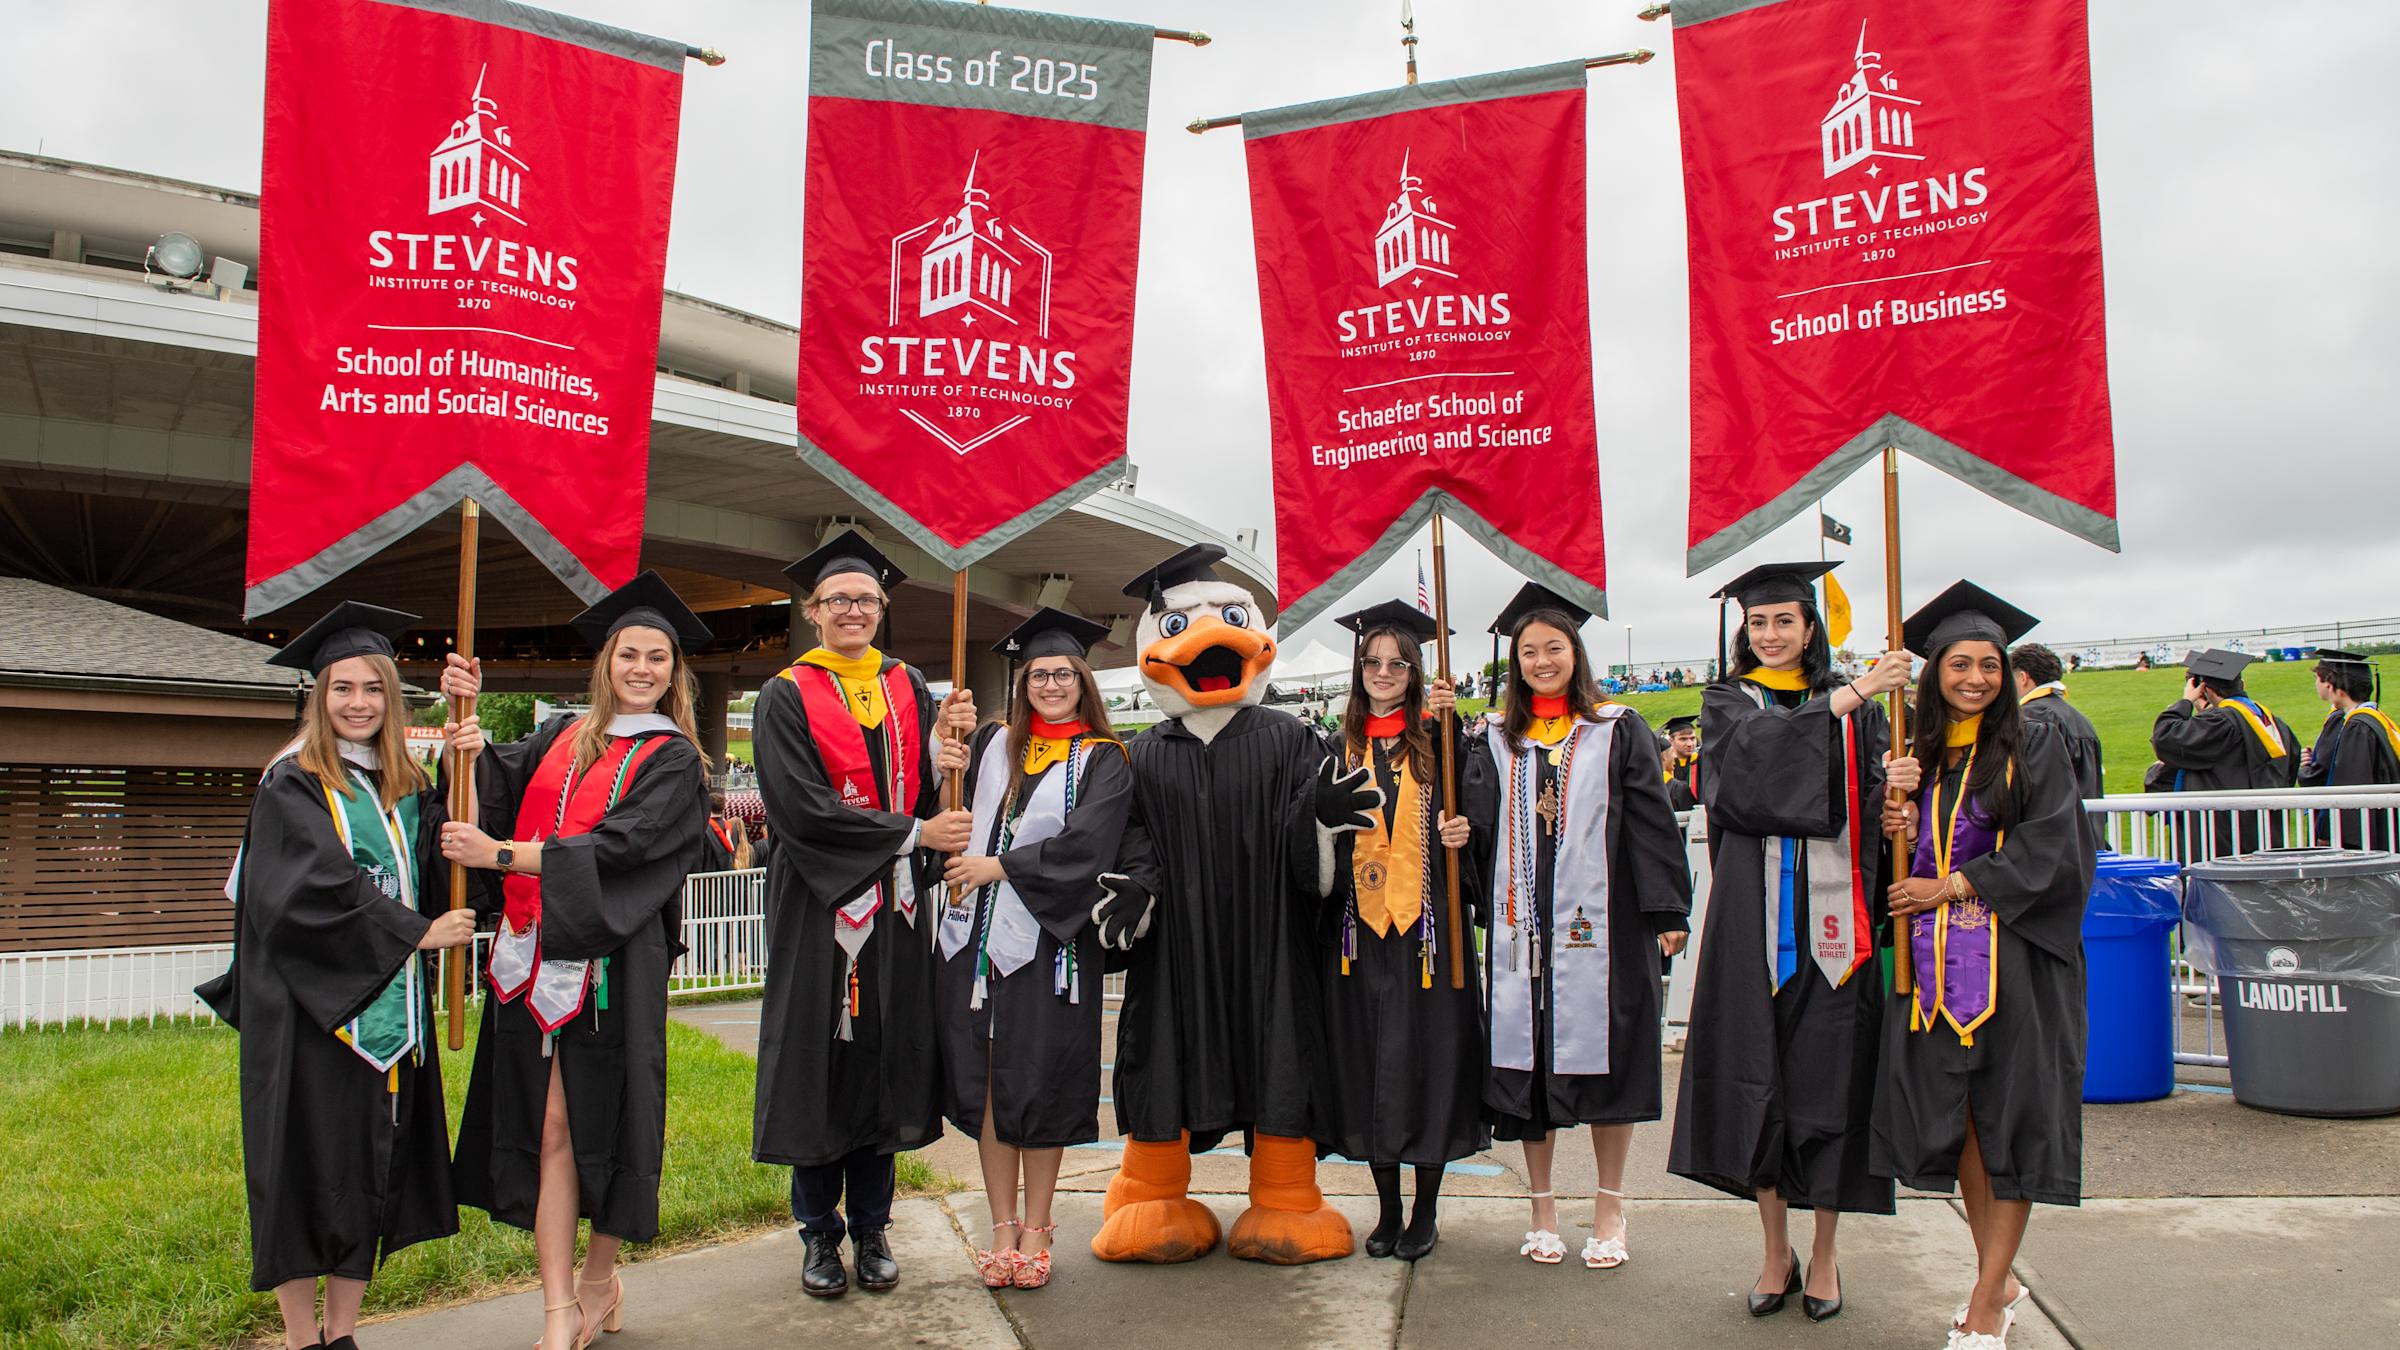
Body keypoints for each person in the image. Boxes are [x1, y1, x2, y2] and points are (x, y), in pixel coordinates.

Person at [436, 572, 715, 1350]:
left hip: (616, 967)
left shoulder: (675, 760)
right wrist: (465, 729)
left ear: (673, 672)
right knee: (550, 1124)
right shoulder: (562, 733)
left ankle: (599, 1279)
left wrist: (504, 854)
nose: (642, 669)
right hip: (531, 963)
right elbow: (490, 787)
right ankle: (559, 1306)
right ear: (607, 661)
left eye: (657, 658)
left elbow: (626, 848)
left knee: (608, 1123)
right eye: (630, 654)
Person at [197, 603, 475, 1350]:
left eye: (374, 688)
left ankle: (343, 1333)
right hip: (306, 1016)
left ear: (392, 698)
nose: (358, 702)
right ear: (318, 697)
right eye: (342, 688)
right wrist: (417, 934)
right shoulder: (292, 783)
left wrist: (467, 757)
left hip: (384, 1015)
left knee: (367, 1169)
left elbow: (446, 858)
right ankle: (299, 1338)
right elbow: (309, 890)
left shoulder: (401, 784)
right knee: (299, 1171)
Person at [1090, 544, 1378, 1267]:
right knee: (1162, 1050)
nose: (1211, 640)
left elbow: (1307, 848)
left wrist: (1320, 820)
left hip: (1270, 939)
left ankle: (1285, 1199)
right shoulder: (1143, 754)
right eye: (1181, 624)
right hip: (1177, 948)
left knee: (1280, 1049)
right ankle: (1153, 1192)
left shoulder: (1289, 739)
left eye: (1230, 620)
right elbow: (1134, 842)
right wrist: (1138, 893)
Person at [1667, 562, 1907, 1321]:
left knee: (1830, 1087)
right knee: (1756, 1088)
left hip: (1838, 930)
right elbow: (1745, 781)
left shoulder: (1861, 708)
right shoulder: (1726, 702)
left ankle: (1827, 1255)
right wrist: (1849, 696)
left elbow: (1862, 797)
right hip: (1752, 927)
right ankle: (1776, 1251)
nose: (1770, 635)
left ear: (1811, 628)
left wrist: (1894, 800)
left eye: (1785, 622)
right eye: (1759, 623)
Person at [749, 530, 975, 1297]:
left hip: (897, 909)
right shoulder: (784, 695)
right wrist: (914, 831)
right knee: (822, 1063)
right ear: (813, 612)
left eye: (867, 599)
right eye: (838, 599)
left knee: (882, 1060)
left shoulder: (909, 686)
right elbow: (800, 811)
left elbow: (917, 800)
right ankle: (818, 1234)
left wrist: (950, 764)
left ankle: (873, 1225)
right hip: (820, 905)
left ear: (883, 609)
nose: (853, 610)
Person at [1874, 582, 2094, 1350]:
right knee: (1967, 1126)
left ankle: (1986, 1306)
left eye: (1990, 665)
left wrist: (1954, 884)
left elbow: (2056, 847)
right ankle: (1994, 1275)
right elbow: (1898, 871)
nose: (1976, 678)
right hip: (1935, 976)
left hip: (2018, 969)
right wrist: (1892, 818)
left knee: (2012, 1128)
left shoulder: (2034, 742)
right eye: (1959, 663)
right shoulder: (1917, 752)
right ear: (1932, 671)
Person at [1463, 582, 1691, 1270]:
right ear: (1516, 665)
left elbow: (1652, 820)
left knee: (1609, 1060)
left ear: (1575, 653)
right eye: (1528, 651)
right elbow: (1477, 827)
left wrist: (1667, 910)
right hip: (1521, 929)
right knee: (1527, 1066)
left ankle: (1610, 1206)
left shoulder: (1616, 729)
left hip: (1605, 924)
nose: (1540, 660)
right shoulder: (1497, 742)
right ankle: (1541, 1207)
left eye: (1552, 648)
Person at [934, 609, 1135, 1291]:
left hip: (1053, 948)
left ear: (1084, 682)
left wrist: (999, 866)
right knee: (991, 1084)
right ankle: (999, 1225)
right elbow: (954, 818)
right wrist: (944, 752)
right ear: (1022, 684)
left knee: (1040, 1083)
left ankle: (1039, 1226)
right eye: (1038, 675)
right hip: (976, 945)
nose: (1050, 685)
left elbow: (1088, 847)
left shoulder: (1104, 760)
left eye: (1063, 674)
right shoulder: (992, 743)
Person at [1318, 599, 1488, 1263]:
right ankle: (1385, 1210)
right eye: (1372, 663)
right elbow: (1310, 840)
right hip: (1356, 936)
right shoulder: (1336, 748)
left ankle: (1424, 1212)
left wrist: (1464, 831)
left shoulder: (1446, 741)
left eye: (1397, 663)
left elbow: (1480, 817)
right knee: (1370, 1066)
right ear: (1359, 671)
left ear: (1416, 672)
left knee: (1431, 1062)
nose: (1383, 672)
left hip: (1429, 934)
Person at [2150, 648, 2300, 856]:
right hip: (2263, 830)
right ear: (2242, 685)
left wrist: (2185, 702)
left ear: (2205, 690)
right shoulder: (2273, 722)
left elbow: (2165, 738)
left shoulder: (2221, 722)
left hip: (2221, 835)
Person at [2298, 648, 2400, 849]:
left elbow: (2349, 784)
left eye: (2317, 680)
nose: (2316, 686)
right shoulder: (2374, 719)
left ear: (2331, 684)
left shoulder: (2357, 726)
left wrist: (2329, 832)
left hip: (2364, 837)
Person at [2011, 642, 2104, 851]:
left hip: (2055, 841)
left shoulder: (2034, 717)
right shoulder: (2079, 718)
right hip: (2086, 836)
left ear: (2022, 677)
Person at [703, 789, 754, 871]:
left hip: (708, 878)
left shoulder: (705, 829)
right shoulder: (732, 828)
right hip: (727, 876)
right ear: (723, 808)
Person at [1661, 715, 1702, 812]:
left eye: (1692, 738)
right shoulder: (1665, 766)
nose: (1689, 744)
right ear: (1671, 740)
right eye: (1683, 739)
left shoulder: (1700, 762)